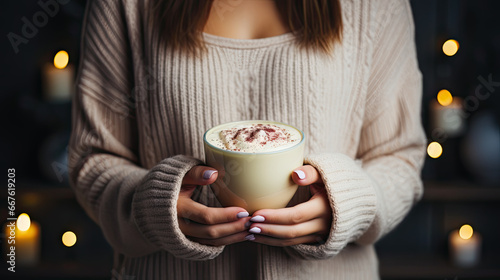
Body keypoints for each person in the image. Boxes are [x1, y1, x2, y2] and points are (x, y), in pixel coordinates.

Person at [68, 0, 426, 279]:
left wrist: (348, 202)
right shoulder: (127, 6)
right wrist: (151, 207)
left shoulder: (376, 7)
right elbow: (93, 159)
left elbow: (401, 159)